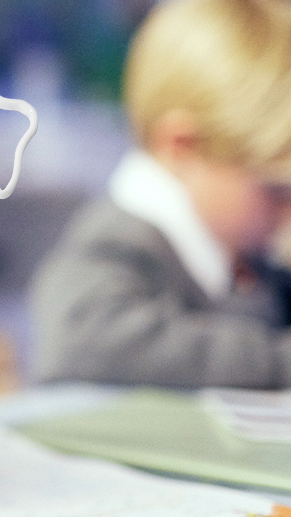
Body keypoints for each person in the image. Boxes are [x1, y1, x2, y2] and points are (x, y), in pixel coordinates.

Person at [31, 0, 291, 389]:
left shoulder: (245, 257)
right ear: (181, 146)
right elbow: (78, 340)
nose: (285, 211)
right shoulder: (118, 242)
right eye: (274, 190)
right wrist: (277, 361)